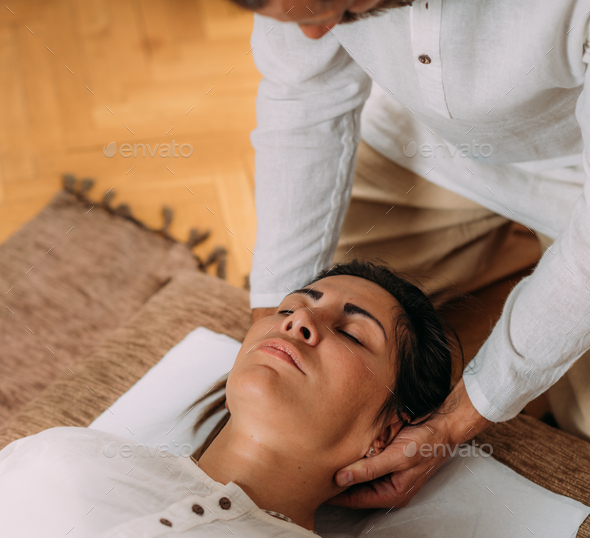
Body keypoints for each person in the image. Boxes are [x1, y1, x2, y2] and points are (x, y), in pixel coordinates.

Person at [230, 0, 590, 510]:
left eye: (341, 9)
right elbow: (302, 97)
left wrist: (466, 412)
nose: (312, 35)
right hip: (428, 146)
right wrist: (271, 312)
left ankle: (514, 249)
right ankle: (510, 251)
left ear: (384, 439)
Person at [0, 260, 461, 538]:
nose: (300, 318)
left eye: (351, 333)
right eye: (287, 309)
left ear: (384, 436)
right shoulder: (66, 449)